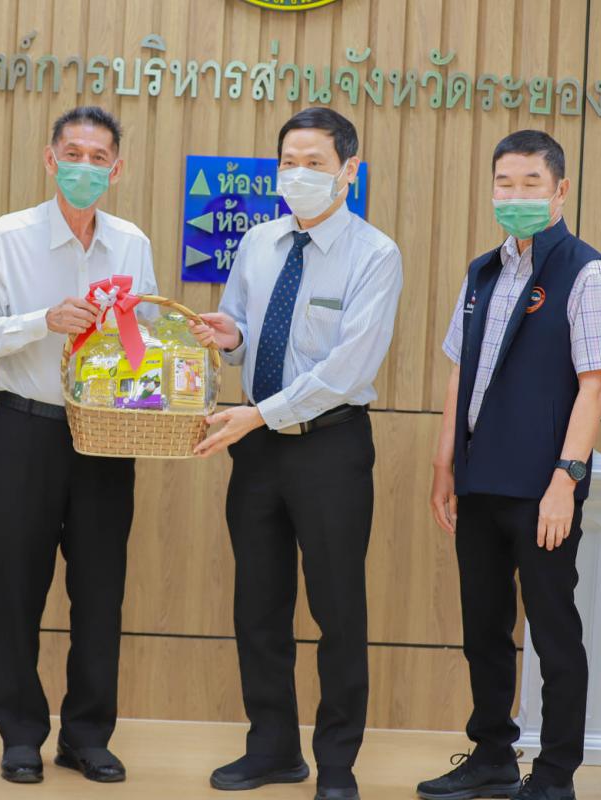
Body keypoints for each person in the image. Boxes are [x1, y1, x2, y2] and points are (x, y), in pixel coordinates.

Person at [190, 106, 403, 800]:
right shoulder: (258, 242)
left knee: (337, 610)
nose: (299, 174)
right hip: (256, 449)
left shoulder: (376, 254)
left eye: (315, 163)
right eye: (289, 162)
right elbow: (245, 333)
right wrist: (230, 338)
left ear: (349, 171)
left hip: (330, 446)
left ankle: (337, 764)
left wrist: (257, 414)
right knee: (258, 605)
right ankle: (272, 748)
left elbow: (347, 368)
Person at [421, 130, 601, 800]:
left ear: (560, 190)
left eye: (531, 183)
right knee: (483, 627)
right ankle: (492, 756)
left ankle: (557, 773)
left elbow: (596, 384)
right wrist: (445, 463)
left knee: (554, 631)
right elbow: (461, 373)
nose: (516, 195)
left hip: (544, 487)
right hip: (480, 478)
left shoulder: (588, 273)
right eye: (504, 183)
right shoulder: (483, 272)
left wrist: (566, 479)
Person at [0, 106, 157, 785]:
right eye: (73, 154)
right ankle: (20, 735)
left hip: (106, 434)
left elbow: (144, 339)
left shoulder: (132, 243)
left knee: (100, 593)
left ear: (116, 170)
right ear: (51, 160)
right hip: (26, 428)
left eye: (99, 158)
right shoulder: (7, 235)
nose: (85, 167)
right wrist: (42, 321)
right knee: (18, 587)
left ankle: (86, 736)